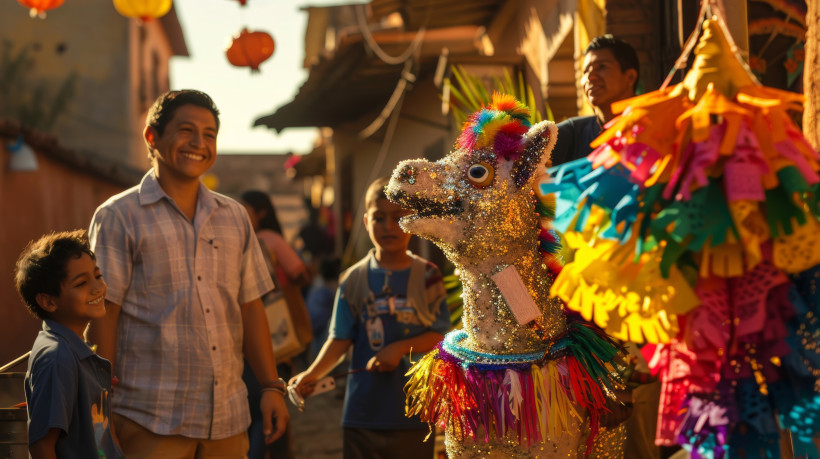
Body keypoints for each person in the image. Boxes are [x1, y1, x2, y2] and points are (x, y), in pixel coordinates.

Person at [86, 90, 289, 458]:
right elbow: (104, 312)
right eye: (186, 130)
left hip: (227, 419)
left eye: (209, 134)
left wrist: (271, 386)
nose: (199, 143)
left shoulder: (234, 216)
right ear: (152, 136)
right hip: (148, 418)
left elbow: (250, 307)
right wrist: (101, 408)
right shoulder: (119, 216)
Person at [289, 177, 449, 459]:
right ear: (366, 221)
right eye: (378, 218)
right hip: (362, 414)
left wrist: (399, 348)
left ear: (411, 221)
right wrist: (311, 374)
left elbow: (440, 336)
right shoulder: (353, 279)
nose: (388, 226)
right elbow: (339, 339)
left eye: (397, 217)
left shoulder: (428, 275)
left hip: (414, 413)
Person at [14, 230, 124, 459]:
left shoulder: (73, 350)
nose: (97, 288)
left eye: (98, 275)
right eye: (82, 283)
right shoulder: (57, 357)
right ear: (48, 301)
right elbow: (42, 446)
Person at [240, 189, 310, 459]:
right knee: (270, 400)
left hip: (242, 339)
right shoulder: (269, 239)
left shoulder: (241, 240)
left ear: (259, 213)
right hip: (275, 332)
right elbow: (299, 273)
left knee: (253, 402)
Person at [550, 34, 640, 166]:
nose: (590, 77)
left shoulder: (654, 128)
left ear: (630, 77)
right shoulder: (571, 134)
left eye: (602, 66)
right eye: (585, 71)